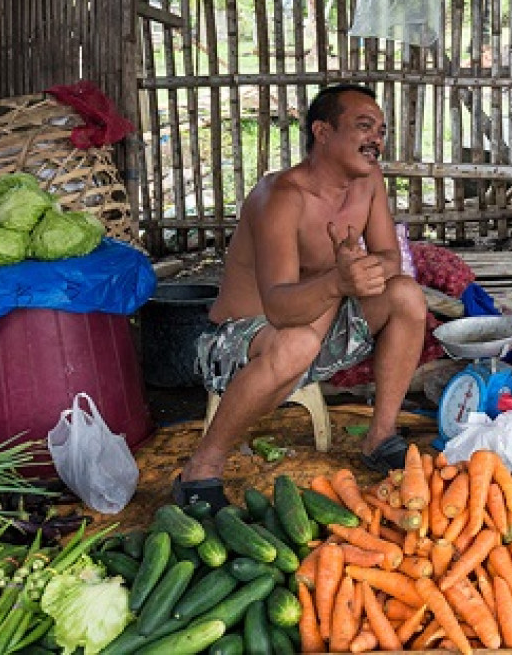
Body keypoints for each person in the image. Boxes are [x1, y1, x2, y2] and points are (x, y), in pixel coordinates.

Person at [173, 83, 427, 512]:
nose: (376, 141)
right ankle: (201, 468)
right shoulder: (281, 197)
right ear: (323, 132)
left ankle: (380, 437)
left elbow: (389, 259)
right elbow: (278, 307)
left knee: (406, 296)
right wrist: (339, 281)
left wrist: (365, 271)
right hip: (237, 342)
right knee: (297, 341)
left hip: (316, 327)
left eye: (381, 131)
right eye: (364, 127)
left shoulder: (369, 184)